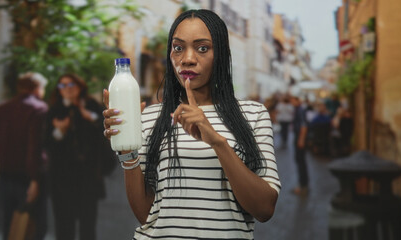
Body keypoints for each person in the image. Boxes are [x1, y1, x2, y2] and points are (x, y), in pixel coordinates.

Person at [103, 9, 280, 239]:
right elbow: (146, 216)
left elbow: (264, 209)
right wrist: (127, 148)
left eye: (202, 48)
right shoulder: (149, 117)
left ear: (222, 55)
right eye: (178, 48)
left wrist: (217, 141)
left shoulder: (253, 114)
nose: (187, 58)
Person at [45, 73, 115, 240]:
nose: (67, 89)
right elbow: (47, 142)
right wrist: (59, 132)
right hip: (62, 179)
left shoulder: (92, 106)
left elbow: (104, 131)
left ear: (79, 87)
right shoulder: (55, 109)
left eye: (71, 85)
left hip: (87, 177)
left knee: (87, 226)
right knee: (64, 226)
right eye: (62, 86)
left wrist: (87, 116)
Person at [0, 72, 48, 240]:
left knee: (9, 226)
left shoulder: (1, 109)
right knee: (35, 228)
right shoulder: (38, 109)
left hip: (5, 175)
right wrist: (35, 180)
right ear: (37, 89)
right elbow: (34, 147)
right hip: (28, 178)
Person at [290, 96, 309, 196]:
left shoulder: (300, 110)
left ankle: (303, 185)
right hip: (298, 137)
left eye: (293, 100)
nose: (292, 102)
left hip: (300, 138)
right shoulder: (298, 109)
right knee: (300, 161)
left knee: (301, 162)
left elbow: (304, 125)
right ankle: (302, 184)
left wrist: (301, 139)